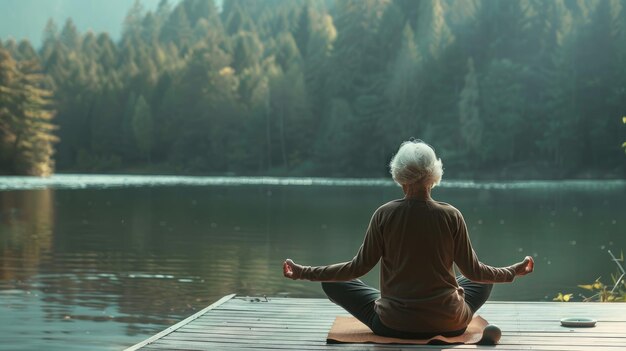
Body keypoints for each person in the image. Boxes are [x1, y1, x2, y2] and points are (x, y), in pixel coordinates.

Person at [282, 139, 534, 339]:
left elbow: (356, 268)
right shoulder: (451, 215)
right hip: (450, 323)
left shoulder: (384, 214)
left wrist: (304, 271)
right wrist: (512, 271)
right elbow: (476, 272)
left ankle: (393, 308)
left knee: (332, 282)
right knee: (482, 279)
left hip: (393, 325)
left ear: (399, 175)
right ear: (434, 175)